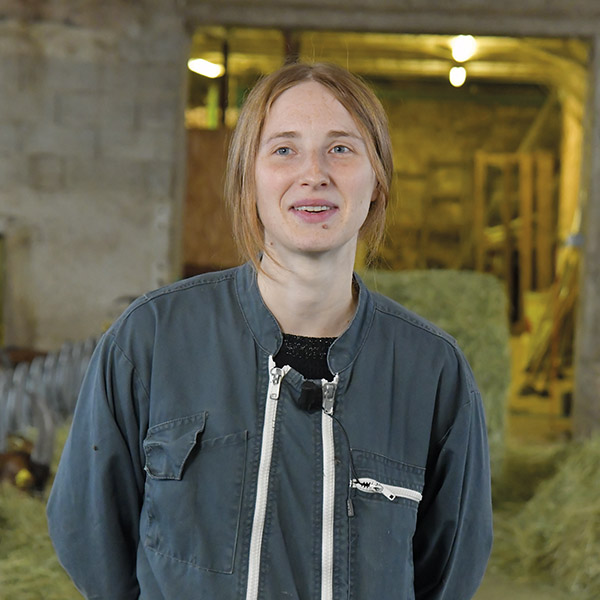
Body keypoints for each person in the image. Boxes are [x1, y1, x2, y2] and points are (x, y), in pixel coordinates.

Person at [47, 62, 493, 600]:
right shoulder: (151, 341)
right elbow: (88, 532)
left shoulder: (433, 373)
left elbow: (449, 570)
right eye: (284, 149)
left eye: (342, 149)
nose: (314, 174)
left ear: (377, 181)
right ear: (248, 177)